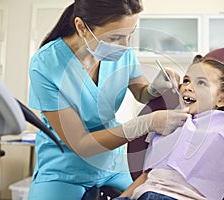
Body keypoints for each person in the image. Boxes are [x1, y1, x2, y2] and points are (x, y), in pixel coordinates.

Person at [27, 0, 189, 199]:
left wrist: (154, 89)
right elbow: (81, 144)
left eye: (130, 34)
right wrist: (147, 123)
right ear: (81, 27)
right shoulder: (46, 64)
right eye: (115, 37)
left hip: (113, 162)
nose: (125, 46)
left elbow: (141, 92)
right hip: (64, 168)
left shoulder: (122, 52)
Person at [115, 55, 224, 200]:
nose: (188, 87)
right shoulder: (168, 124)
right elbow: (148, 175)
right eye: (187, 80)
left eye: (201, 83)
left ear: (222, 99)